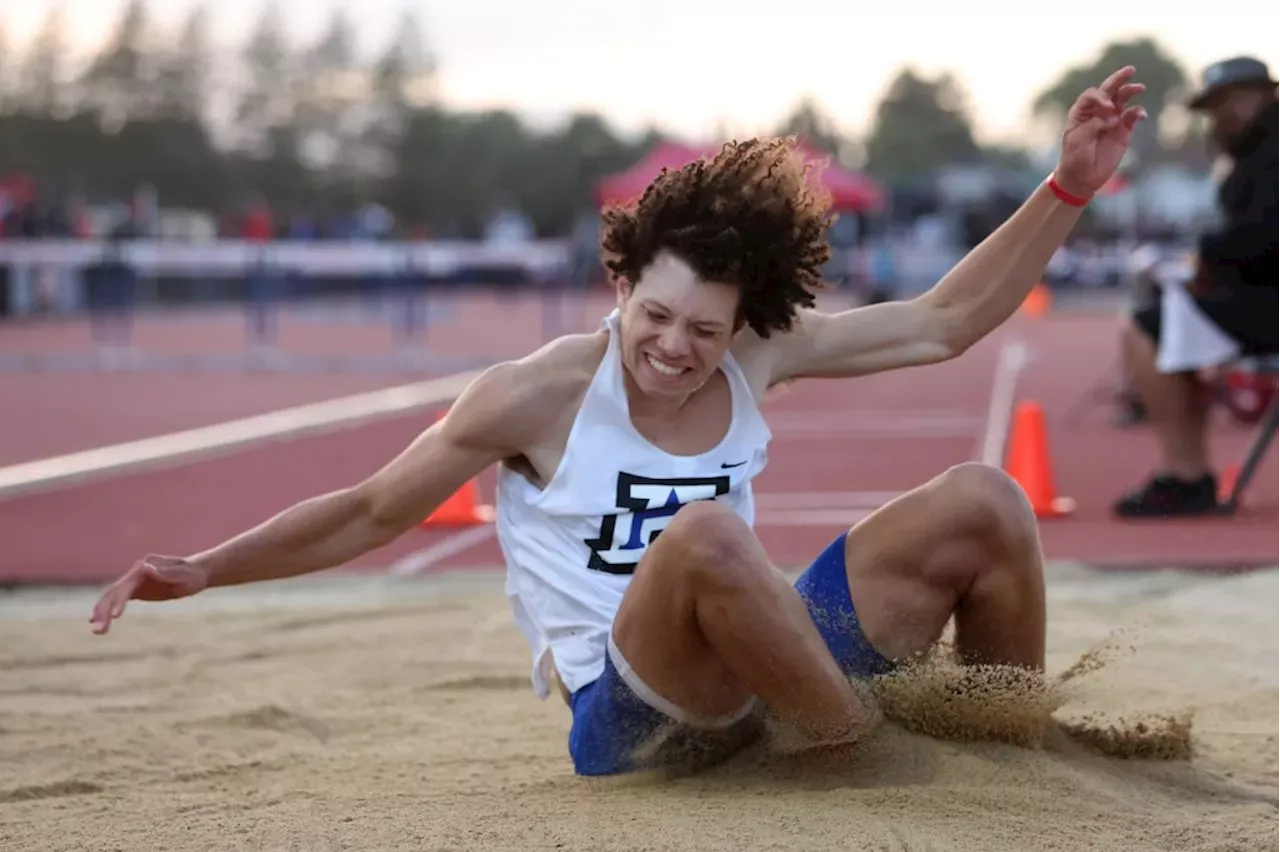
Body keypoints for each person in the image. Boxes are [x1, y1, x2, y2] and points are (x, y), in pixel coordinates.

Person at [88, 69, 1147, 776]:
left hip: (766, 659)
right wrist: (206, 567)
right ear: (617, 280)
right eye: (654, 316)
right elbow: (369, 511)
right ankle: (860, 758)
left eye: (703, 328)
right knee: (701, 537)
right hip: (635, 712)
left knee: (984, 499)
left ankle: (1013, 748)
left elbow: (943, 321)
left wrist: (1064, 187)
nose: (675, 348)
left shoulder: (756, 353)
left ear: (743, 321)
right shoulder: (533, 394)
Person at [1114, 57, 1280, 518]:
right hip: (1261, 296)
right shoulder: (1256, 153)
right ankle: (1188, 472)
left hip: (1270, 303)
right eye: (1215, 107)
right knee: (1164, 323)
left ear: (1260, 96)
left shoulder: (1271, 152)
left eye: (1229, 103)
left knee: (1146, 331)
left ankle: (1186, 475)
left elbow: (1267, 235)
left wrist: (1206, 258)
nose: (1220, 116)